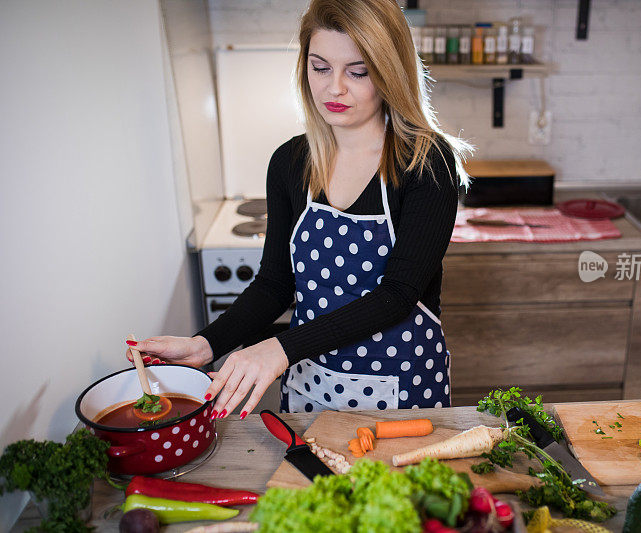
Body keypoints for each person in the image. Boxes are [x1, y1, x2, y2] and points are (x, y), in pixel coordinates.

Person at [126, 0, 471, 417]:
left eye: (358, 72)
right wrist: (208, 343)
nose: (334, 88)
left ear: (389, 72)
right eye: (320, 67)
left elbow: (397, 295)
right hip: (310, 389)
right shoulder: (290, 162)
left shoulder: (425, 163)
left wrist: (278, 349)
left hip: (402, 394)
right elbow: (275, 284)